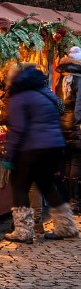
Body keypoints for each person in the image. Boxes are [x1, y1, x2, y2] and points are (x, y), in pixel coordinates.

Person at [2, 63, 76, 242]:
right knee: (48, 185)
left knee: (20, 186)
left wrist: (9, 155)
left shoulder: (20, 97)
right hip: (54, 146)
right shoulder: (46, 93)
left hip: (31, 149)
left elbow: (17, 129)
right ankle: (66, 226)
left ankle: (23, 231)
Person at [56, 47, 81, 212]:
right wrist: (77, 125)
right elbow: (79, 107)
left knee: (65, 161)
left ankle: (64, 199)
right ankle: (75, 200)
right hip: (74, 126)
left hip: (61, 124)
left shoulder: (60, 79)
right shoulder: (79, 80)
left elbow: (58, 103)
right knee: (76, 161)